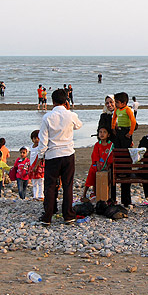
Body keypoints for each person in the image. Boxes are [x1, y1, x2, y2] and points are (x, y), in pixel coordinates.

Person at [36, 89, 83, 225]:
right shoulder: (70, 115)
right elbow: (79, 125)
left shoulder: (47, 117)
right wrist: (68, 110)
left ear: (53, 101)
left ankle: (48, 216)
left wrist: (40, 155)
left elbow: (43, 140)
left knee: (50, 186)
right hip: (68, 153)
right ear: (66, 101)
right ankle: (68, 215)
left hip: (52, 154)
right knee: (68, 185)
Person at [111, 92, 137, 206]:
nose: (115, 104)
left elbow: (133, 121)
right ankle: (120, 170)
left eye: (117, 102)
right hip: (119, 131)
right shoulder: (117, 110)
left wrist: (130, 133)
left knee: (126, 152)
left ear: (124, 103)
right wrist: (113, 127)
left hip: (126, 131)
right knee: (119, 151)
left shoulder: (127, 110)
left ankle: (125, 171)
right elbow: (114, 118)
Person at [82, 126, 113, 200]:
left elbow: (111, 157)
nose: (102, 134)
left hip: (106, 165)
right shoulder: (97, 144)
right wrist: (98, 163)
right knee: (92, 170)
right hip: (98, 164)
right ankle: (85, 193)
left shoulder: (110, 145)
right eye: (100, 132)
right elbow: (95, 156)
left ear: (108, 135)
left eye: (104, 132)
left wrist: (108, 165)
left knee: (107, 174)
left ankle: (100, 193)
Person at [28, 130, 45, 201]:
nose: (36, 140)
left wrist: (36, 166)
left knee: (40, 181)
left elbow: (40, 157)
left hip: (39, 166)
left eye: (38, 138)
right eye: (34, 138)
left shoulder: (40, 147)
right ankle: (35, 195)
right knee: (34, 182)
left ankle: (41, 195)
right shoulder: (31, 147)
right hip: (32, 165)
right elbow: (31, 156)